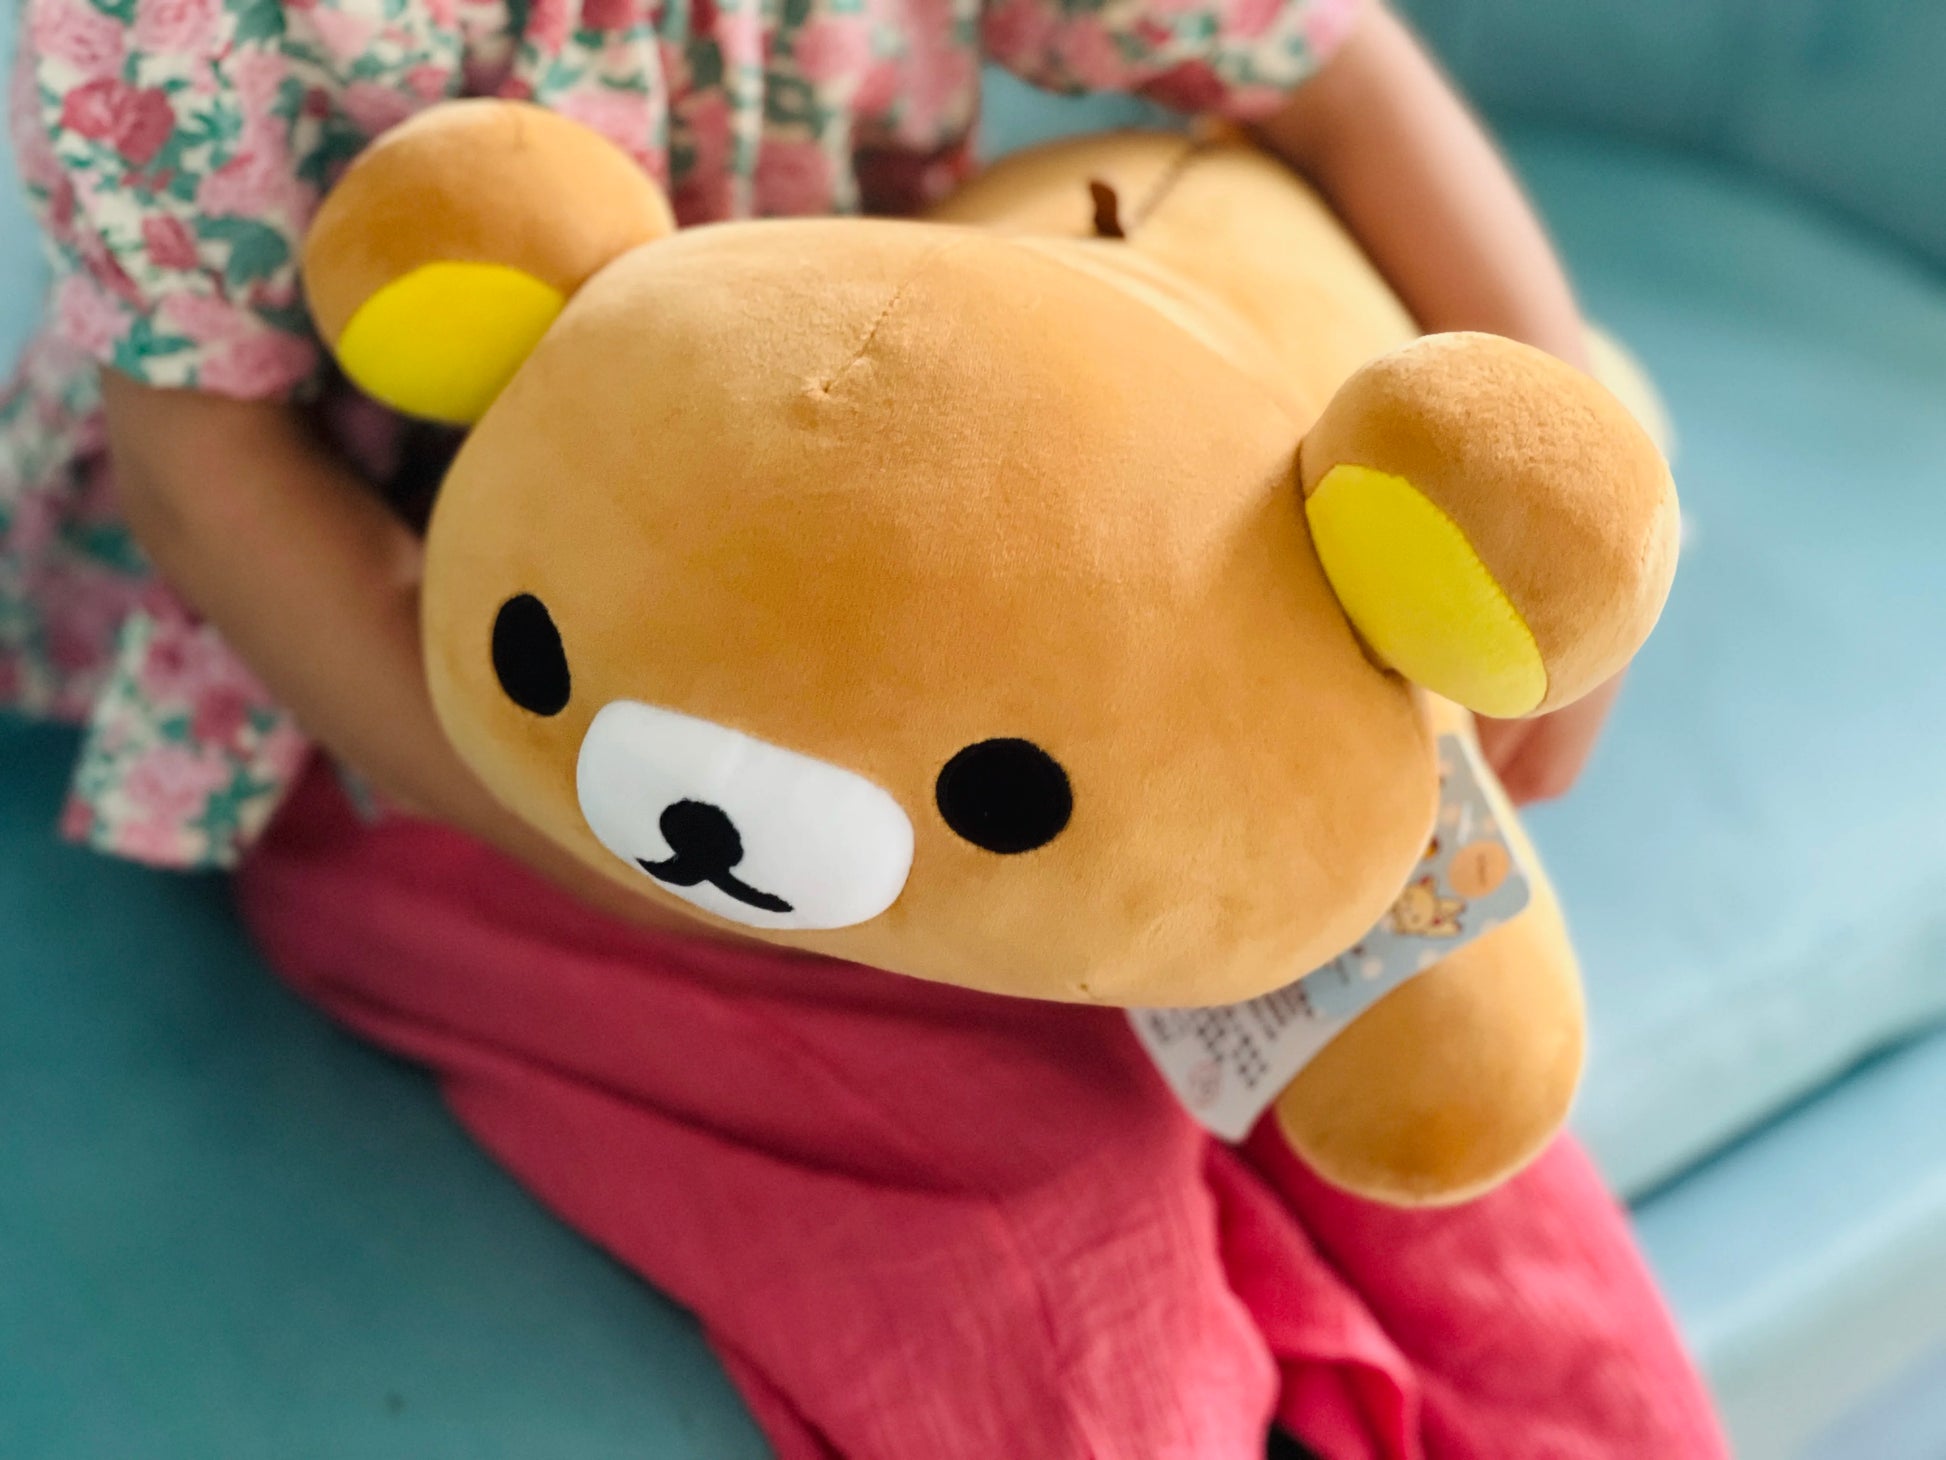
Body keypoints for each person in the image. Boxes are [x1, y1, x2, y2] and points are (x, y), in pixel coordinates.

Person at [4, 1, 1725, 1454]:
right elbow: (210, 479)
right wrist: (570, 826)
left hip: (918, 585)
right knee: (1035, 1249)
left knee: (1453, 1136)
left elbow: (1333, 72)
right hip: (481, 683)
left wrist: (1558, 513)